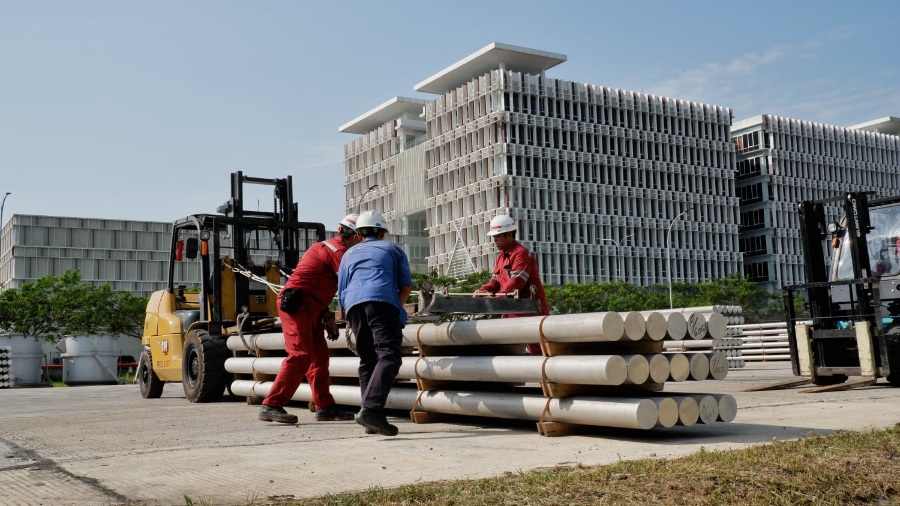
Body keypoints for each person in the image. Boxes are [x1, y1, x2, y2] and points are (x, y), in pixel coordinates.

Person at [258, 214, 363, 424]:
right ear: (356, 235)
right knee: (300, 355)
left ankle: (325, 407)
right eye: (364, 236)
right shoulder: (340, 252)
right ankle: (271, 404)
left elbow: (318, 288)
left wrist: (327, 317)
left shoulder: (330, 248)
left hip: (313, 308)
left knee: (320, 358)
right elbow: (350, 284)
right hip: (296, 305)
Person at [337, 210, 412, 436]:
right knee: (389, 355)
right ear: (382, 232)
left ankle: (370, 416)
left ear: (359, 234)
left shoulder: (348, 255)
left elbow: (341, 292)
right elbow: (406, 287)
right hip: (381, 301)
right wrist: (397, 310)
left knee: (368, 359)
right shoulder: (392, 249)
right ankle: (370, 410)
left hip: (353, 305)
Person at [474, 214, 549, 355]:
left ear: (509, 234)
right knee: (507, 353)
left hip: (530, 313)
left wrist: (493, 300)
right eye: (493, 237)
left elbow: (515, 284)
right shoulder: (501, 257)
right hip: (510, 312)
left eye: (497, 237)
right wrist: (483, 291)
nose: (494, 240)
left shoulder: (521, 253)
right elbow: (495, 282)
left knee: (540, 352)